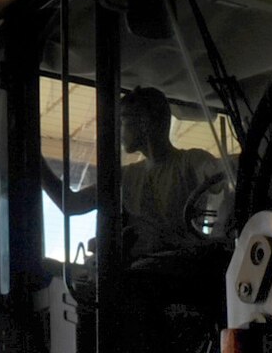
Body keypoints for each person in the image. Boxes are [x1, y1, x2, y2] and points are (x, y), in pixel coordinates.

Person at [46, 86, 230, 262]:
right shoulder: (126, 176)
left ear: (143, 123)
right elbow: (71, 204)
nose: (118, 131)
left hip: (181, 272)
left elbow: (225, 181)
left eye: (123, 122)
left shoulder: (191, 161)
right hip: (141, 276)